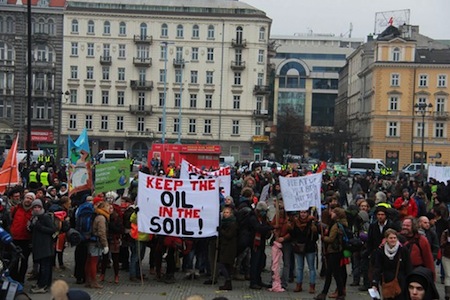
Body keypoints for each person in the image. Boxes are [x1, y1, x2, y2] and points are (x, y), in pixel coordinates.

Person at [314, 207, 346, 300]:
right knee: (333, 273)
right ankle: (331, 293)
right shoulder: (338, 224)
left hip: (334, 251)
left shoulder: (336, 225)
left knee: (333, 273)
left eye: (333, 212)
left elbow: (331, 239)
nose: (330, 213)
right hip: (336, 251)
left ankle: (335, 293)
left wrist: (324, 238)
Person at [371, 229, 412, 300]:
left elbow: (408, 266)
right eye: (390, 238)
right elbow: (378, 267)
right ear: (386, 239)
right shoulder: (381, 250)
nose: (393, 240)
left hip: (401, 281)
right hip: (387, 282)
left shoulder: (403, 250)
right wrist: (375, 282)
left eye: (394, 238)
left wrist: (410, 281)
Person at [29, 199, 57, 294]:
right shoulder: (34, 218)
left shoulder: (45, 217)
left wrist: (39, 227)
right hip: (39, 245)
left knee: (45, 266)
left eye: (38, 207)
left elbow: (52, 229)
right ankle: (42, 283)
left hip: (45, 246)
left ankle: (43, 285)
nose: (36, 209)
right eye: (35, 207)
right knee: (43, 266)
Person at [290, 209, 318, 293]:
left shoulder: (312, 222)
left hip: (310, 248)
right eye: (301, 212)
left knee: (311, 268)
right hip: (299, 248)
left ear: (308, 213)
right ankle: (298, 285)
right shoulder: (295, 222)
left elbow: (316, 237)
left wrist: (315, 230)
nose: (303, 214)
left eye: (305, 212)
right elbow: (293, 235)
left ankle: (312, 286)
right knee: (299, 268)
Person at [85, 201, 110, 289]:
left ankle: (88, 280)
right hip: (96, 242)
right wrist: (105, 244)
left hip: (90, 240)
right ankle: (93, 281)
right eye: (107, 206)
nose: (109, 208)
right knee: (94, 262)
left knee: (89, 261)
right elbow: (102, 232)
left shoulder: (95, 215)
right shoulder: (101, 218)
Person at [248, 201, 273, 289]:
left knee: (260, 262)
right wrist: (270, 227)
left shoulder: (263, 218)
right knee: (255, 263)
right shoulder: (253, 218)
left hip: (261, 242)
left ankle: (258, 280)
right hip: (255, 243)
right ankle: (253, 282)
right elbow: (259, 228)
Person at [217, 206, 238, 290]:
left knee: (223, 264)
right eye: (224, 212)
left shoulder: (233, 223)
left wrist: (221, 231)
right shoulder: (224, 222)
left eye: (227, 212)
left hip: (229, 247)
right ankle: (227, 282)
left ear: (231, 213)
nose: (225, 214)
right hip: (225, 246)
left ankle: (228, 280)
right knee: (225, 264)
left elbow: (229, 235)